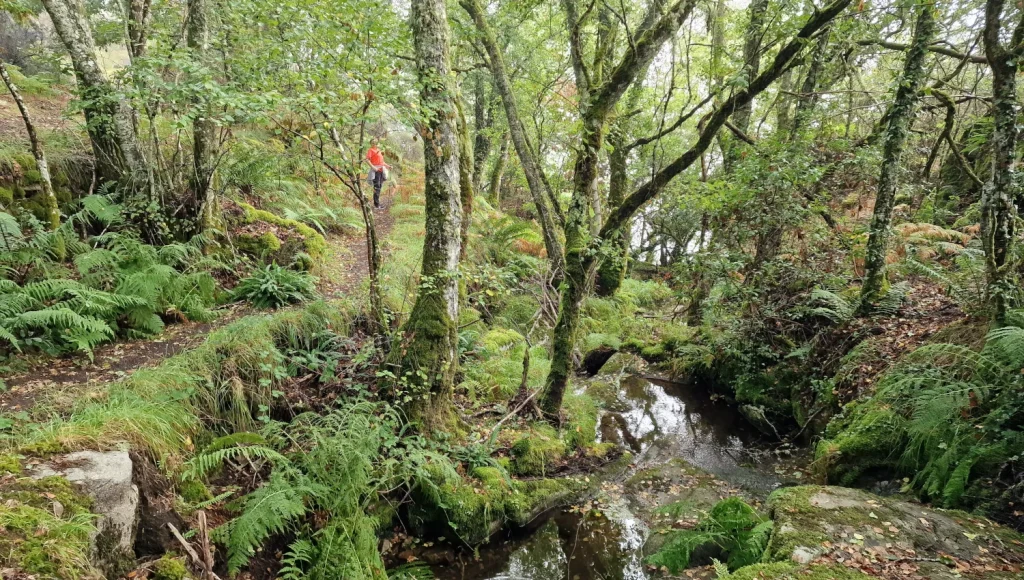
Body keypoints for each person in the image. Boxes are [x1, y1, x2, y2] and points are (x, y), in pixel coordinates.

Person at [365, 140, 390, 209]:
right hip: (376, 171)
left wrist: (388, 166)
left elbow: (382, 162)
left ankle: (377, 203)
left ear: (377, 143)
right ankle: (377, 205)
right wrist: (373, 167)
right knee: (377, 187)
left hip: (381, 170)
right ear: (370, 144)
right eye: (372, 143)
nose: (374, 144)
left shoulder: (379, 151)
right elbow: (367, 160)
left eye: (375, 143)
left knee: (380, 186)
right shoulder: (371, 150)